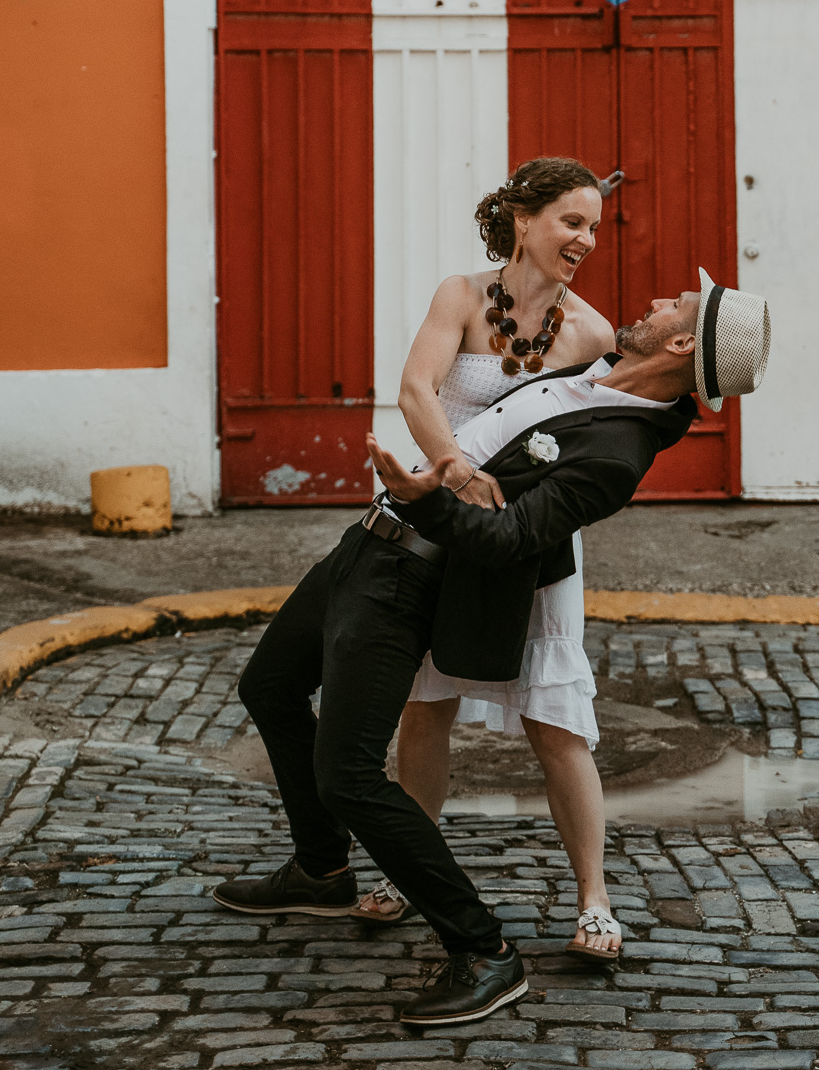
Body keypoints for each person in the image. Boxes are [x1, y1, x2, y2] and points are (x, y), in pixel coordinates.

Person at [214, 269, 770, 1029]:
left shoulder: (619, 453)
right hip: (367, 542)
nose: (653, 301)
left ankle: (482, 951)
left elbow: (512, 539)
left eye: (675, 305)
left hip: (416, 567)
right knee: (269, 687)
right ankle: (321, 867)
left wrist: (428, 501)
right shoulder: (594, 370)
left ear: (681, 340)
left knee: (347, 774)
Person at [356, 157, 624, 964]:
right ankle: (410, 871)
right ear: (521, 217)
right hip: (447, 526)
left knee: (554, 720)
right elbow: (415, 391)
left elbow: (593, 446)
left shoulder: (593, 333)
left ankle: (595, 900)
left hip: (535, 547)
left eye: (593, 230)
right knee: (424, 706)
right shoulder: (462, 298)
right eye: (571, 222)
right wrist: (459, 478)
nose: (584, 241)